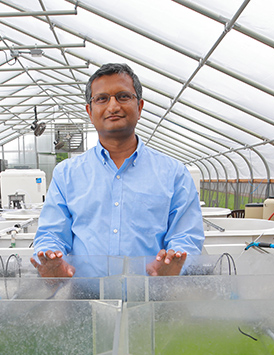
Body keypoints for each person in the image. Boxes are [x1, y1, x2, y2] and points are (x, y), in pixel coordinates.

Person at [31, 63, 204, 278]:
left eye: (123, 96)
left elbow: (186, 235)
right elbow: (52, 233)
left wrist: (174, 263)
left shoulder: (173, 173)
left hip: (153, 298)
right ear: (89, 111)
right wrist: (52, 259)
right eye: (102, 99)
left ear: (139, 107)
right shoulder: (67, 174)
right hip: (83, 301)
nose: (113, 106)